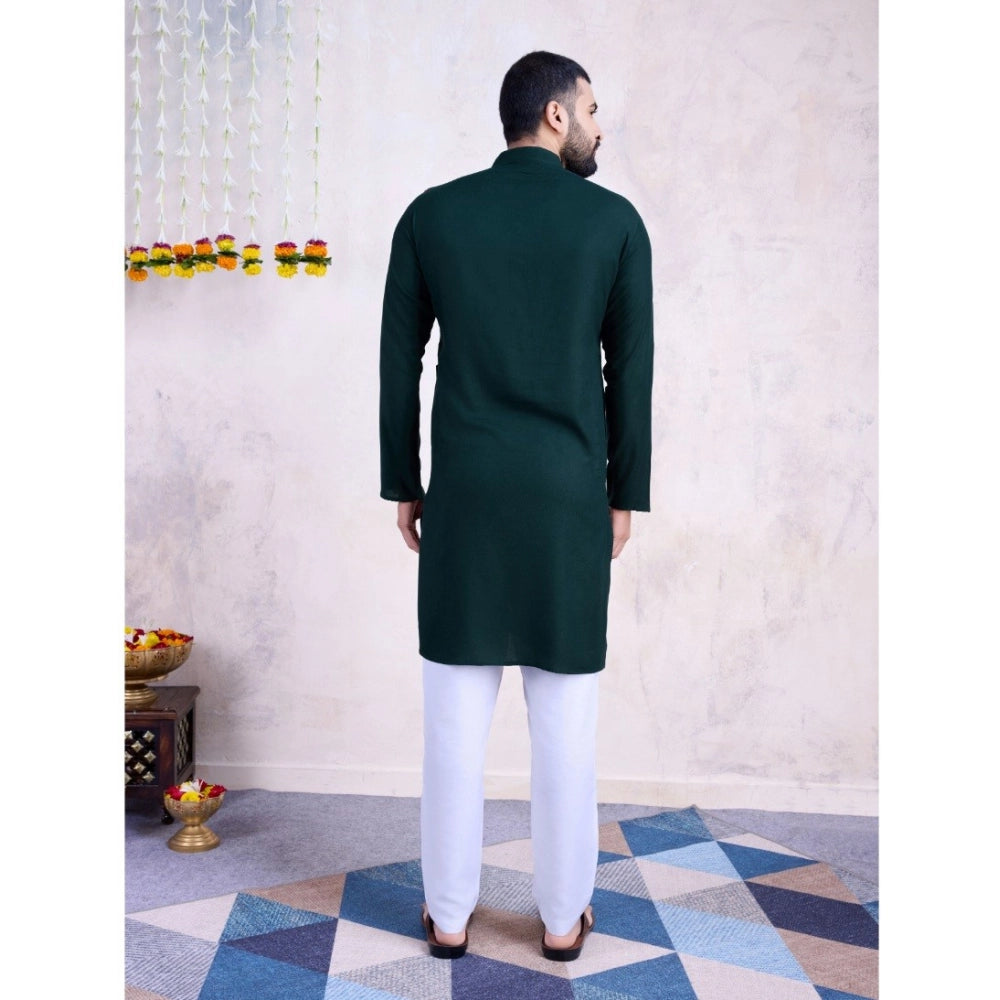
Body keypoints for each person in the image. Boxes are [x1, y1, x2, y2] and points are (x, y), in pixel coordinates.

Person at [379, 50, 653, 962]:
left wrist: (404, 482)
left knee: (453, 727)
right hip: (568, 498)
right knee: (566, 729)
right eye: (592, 109)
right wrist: (625, 494)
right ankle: (563, 918)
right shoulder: (615, 223)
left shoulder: (432, 215)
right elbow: (632, 374)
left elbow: (398, 359)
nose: (600, 125)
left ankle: (450, 916)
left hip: (466, 498)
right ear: (555, 115)